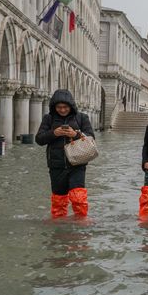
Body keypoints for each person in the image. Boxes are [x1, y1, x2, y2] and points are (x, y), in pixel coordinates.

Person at [35, 89, 95, 218]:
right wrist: (53, 133)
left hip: (77, 164)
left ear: (71, 106)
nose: (62, 110)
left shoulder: (81, 117)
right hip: (56, 165)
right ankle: (59, 225)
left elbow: (91, 137)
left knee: (78, 197)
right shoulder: (48, 118)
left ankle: (81, 220)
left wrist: (76, 134)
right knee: (59, 200)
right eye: (59, 107)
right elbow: (39, 139)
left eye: (65, 107)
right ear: (54, 107)